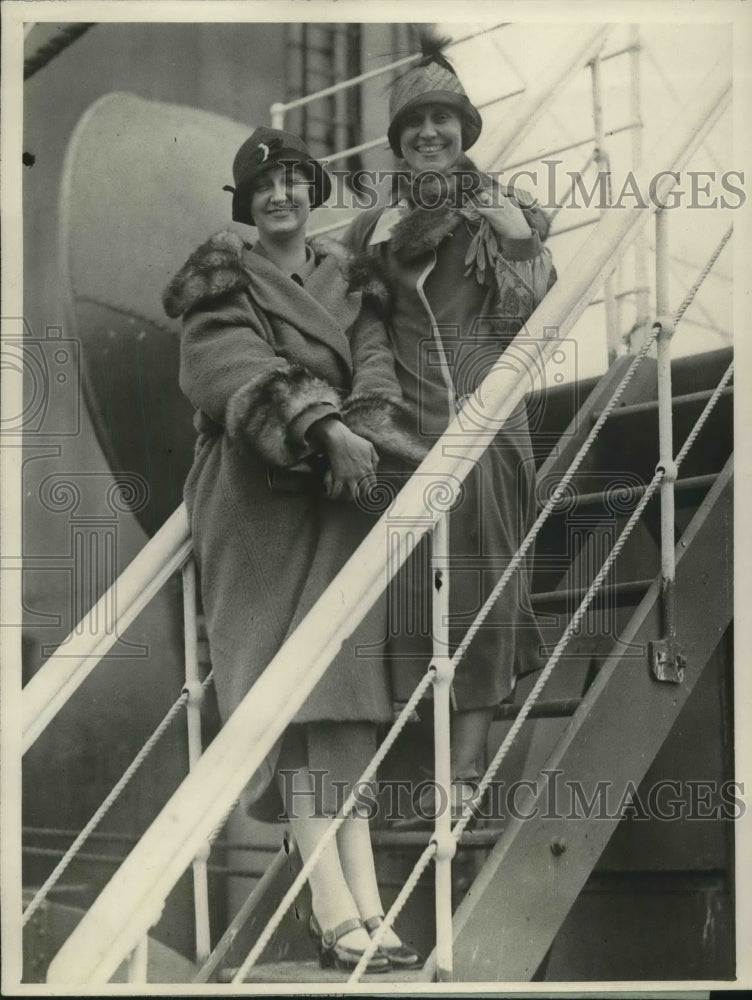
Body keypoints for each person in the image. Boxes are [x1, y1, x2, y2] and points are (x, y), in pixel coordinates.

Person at [162, 127, 424, 971]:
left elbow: (378, 365)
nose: (280, 194)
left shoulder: (351, 277)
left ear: (313, 191)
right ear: (246, 203)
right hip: (256, 497)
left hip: (340, 497)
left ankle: (358, 899)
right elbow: (225, 366)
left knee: (341, 694)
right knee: (288, 690)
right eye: (263, 184)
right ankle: (328, 895)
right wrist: (320, 423)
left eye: (292, 180)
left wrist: (368, 432)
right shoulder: (219, 277)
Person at [343, 33, 557, 822]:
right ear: (396, 141)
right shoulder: (370, 230)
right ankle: (409, 776)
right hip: (406, 428)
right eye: (414, 123)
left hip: (487, 424)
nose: (430, 132)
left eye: (444, 119)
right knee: (406, 598)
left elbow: (534, 310)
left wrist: (519, 239)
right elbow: (356, 327)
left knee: (485, 593)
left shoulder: (504, 213)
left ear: (465, 131)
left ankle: (461, 780)